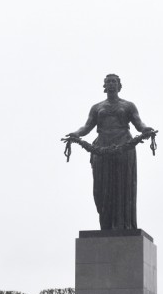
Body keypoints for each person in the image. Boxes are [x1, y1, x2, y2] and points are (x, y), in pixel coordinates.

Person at [65, 74, 155, 230]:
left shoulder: (128, 106)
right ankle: (105, 225)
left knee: (122, 186)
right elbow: (86, 127)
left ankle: (123, 226)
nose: (111, 84)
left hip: (123, 146)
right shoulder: (97, 107)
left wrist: (145, 129)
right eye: (108, 82)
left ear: (119, 85)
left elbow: (139, 123)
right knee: (101, 189)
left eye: (114, 81)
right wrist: (76, 134)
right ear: (104, 86)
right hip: (101, 147)